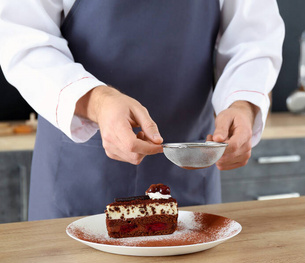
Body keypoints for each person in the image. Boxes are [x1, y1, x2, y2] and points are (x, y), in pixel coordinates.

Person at [0, 0, 284, 220]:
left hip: (188, 170)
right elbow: (23, 38)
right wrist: (98, 101)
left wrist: (242, 104)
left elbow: (253, 41)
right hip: (76, 177)